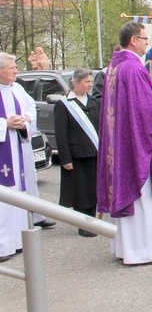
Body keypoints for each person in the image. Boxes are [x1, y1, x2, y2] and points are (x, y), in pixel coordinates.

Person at [97, 22, 152, 265]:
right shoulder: (133, 68)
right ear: (133, 40)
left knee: (131, 196)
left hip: (121, 143)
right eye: (144, 39)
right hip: (136, 146)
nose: (147, 43)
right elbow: (146, 112)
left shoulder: (115, 66)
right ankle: (144, 251)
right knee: (144, 199)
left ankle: (126, 248)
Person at [0, 53, 55, 263]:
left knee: (18, 194)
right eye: (12, 68)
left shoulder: (16, 89)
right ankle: (2, 245)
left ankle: (16, 241)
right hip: (4, 151)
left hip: (16, 149)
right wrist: (5, 124)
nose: (16, 71)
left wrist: (24, 120)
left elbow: (30, 108)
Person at [53, 69, 100, 237]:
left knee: (94, 189)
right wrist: (65, 158)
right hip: (77, 155)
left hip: (94, 153)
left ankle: (92, 221)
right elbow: (61, 134)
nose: (90, 85)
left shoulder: (94, 102)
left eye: (90, 82)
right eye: (87, 82)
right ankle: (83, 224)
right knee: (81, 191)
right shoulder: (64, 104)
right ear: (76, 82)